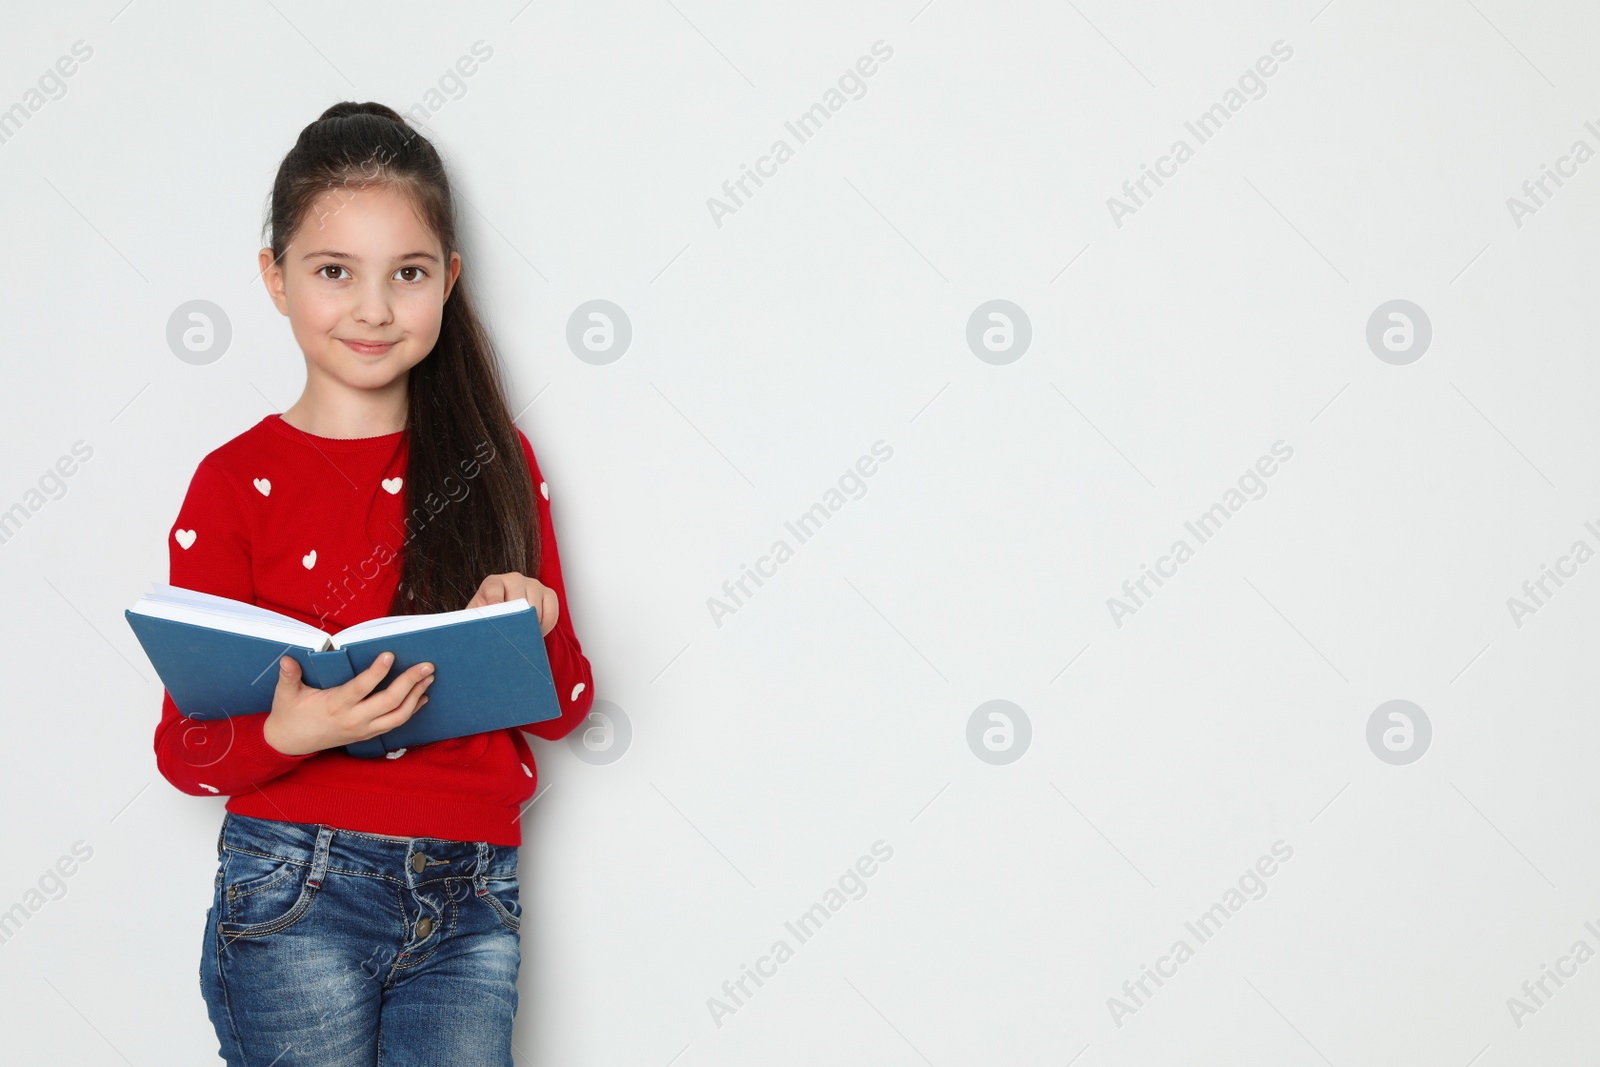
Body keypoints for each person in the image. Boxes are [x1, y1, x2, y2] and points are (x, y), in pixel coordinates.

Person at [153, 100, 596, 1065]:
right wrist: (291, 730)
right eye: (333, 272)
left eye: (408, 273)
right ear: (275, 280)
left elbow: (565, 710)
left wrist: (542, 627)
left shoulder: (496, 462)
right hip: (295, 884)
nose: (373, 307)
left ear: (450, 281)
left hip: (475, 890)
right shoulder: (232, 483)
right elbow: (183, 750)